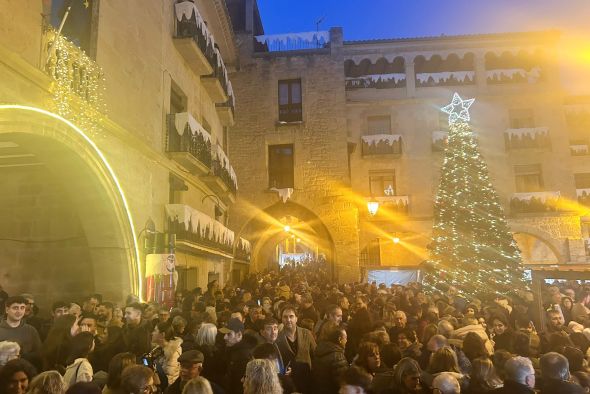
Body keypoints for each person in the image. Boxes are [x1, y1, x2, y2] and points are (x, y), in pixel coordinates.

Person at [276, 305, 316, 394]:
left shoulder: (306, 333)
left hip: (307, 378)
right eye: (285, 317)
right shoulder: (278, 338)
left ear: (296, 318)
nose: (288, 320)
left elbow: (315, 355)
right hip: (289, 382)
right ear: (282, 319)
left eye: (291, 316)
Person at [0, 296, 42, 364]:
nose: (19, 311)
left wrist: (22, 356)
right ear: (7, 310)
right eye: (15, 308)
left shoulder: (31, 330)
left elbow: (39, 353)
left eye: (22, 308)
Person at [312, 322, 348, 394]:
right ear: (340, 339)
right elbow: (343, 382)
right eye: (346, 338)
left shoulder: (320, 350)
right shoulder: (338, 356)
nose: (346, 340)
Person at [220, 318, 253, 394]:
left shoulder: (243, 357)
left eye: (229, 334)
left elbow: (239, 387)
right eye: (224, 334)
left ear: (239, 335)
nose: (224, 337)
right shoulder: (231, 349)